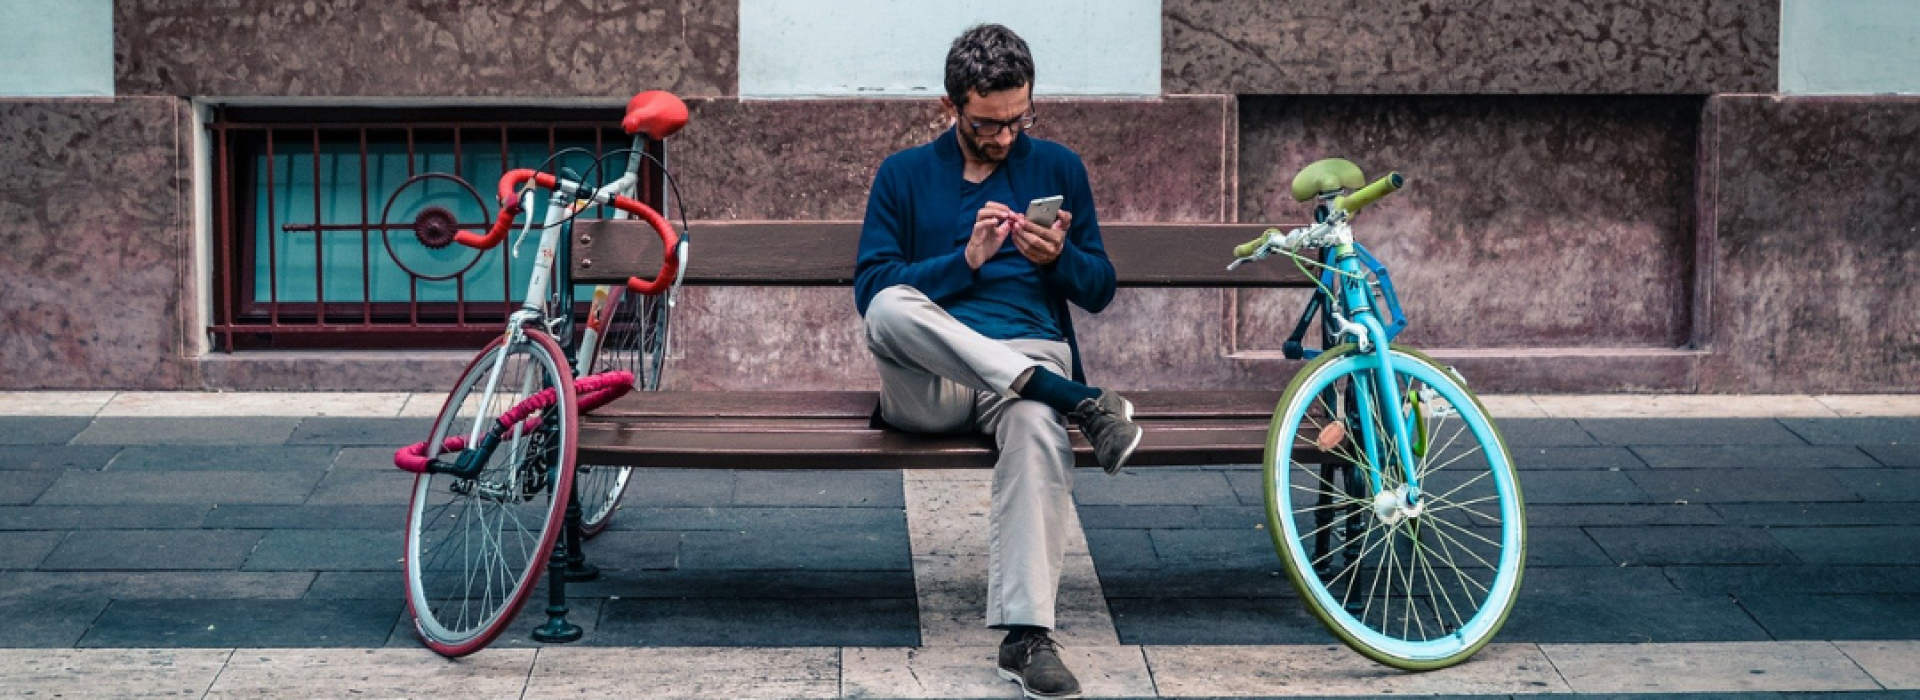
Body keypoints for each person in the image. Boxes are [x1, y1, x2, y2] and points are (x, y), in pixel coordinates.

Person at [852, 23, 1140, 700]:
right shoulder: (903, 175)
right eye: (989, 123)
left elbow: (1099, 288)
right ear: (951, 107)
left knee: (1038, 424)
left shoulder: (1059, 168)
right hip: (929, 380)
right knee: (891, 307)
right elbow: (872, 288)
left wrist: (1057, 259)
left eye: (1019, 119)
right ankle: (1071, 395)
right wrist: (967, 262)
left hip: (1024, 355)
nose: (1006, 136)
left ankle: (1027, 636)